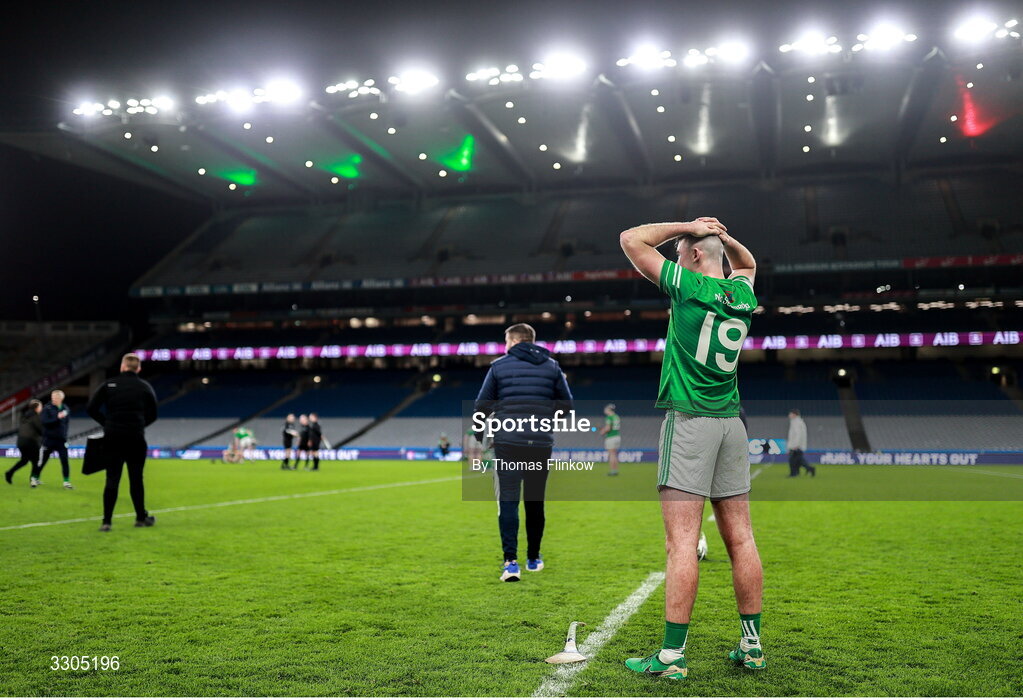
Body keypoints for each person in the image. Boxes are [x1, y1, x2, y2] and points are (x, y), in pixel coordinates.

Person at [619, 217, 765, 679]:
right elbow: (748, 262)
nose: (674, 258)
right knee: (741, 539)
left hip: (690, 423)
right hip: (731, 424)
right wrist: (723, 237)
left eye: (680, 251)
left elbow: (629, 239)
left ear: (695, 257)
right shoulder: (741, 295)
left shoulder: (688, 285)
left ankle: (670, 657)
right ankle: (752, 645)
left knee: (681, 542)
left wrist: (690, 226)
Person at [474, 323, 573, 582]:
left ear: (514, 341)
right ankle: (534, 558)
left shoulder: (499, 366)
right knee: (534, 501)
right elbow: (567, 406)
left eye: (506, 342)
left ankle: (510, 563)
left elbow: (481, 405)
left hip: (507, 442)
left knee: (508, 501)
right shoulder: (552, 366)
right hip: (539, 444)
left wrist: (478, 433)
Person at [86, 353, 158, 532]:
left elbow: (91, 408)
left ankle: (106, 521)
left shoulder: (109, 385)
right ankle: (141, 518)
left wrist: (107, 423)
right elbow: (153, 413)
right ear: (138, 368)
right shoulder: (144, 386)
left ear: (122, 366)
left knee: (112, 479)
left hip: (113, 437)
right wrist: (139, 424)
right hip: (135, 437)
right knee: (136, 479)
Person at [33, 389, 72, 489]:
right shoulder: (47, 408)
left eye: (56, 397)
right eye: (52, 397)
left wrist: (65, 436)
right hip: (48, 439)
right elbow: (44, 422)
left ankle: (66, 482)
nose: (53, 399)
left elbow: (66, 424)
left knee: (65, 461)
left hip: (61, 440)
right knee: (42, 461)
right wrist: (57, 418)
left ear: (61, 398)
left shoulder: (66, 409)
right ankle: (35, 478)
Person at [4, 400, 43, 485]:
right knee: (35, 461)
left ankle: (9, 473)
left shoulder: (24, 416)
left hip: (21, 441)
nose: (41, 408)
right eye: (40, 407)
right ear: (36, 408)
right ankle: (33, 480)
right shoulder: (35, 416)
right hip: (31, 441)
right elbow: (41, 429)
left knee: (24, 460)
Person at [786, 409, 815, 477]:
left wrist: (796, 445)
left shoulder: (796, 422)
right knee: (798, 460)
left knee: (792, 460)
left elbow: (798, 434)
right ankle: (804, 470)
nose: (789, 415)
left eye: (790, 414)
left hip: (796, 445)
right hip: (799, 445)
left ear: (794, 414)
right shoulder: (798, 421)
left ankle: (794, 473)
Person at [600, 403, 622, 476]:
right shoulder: (616, 417)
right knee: (614, 454)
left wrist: (602, 432)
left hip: (611, 437)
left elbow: (608, 428)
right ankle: (615, 470)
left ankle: (612, 471)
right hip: (617, 436)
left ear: (609, 410)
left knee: (611, 454)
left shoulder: (609, 417)